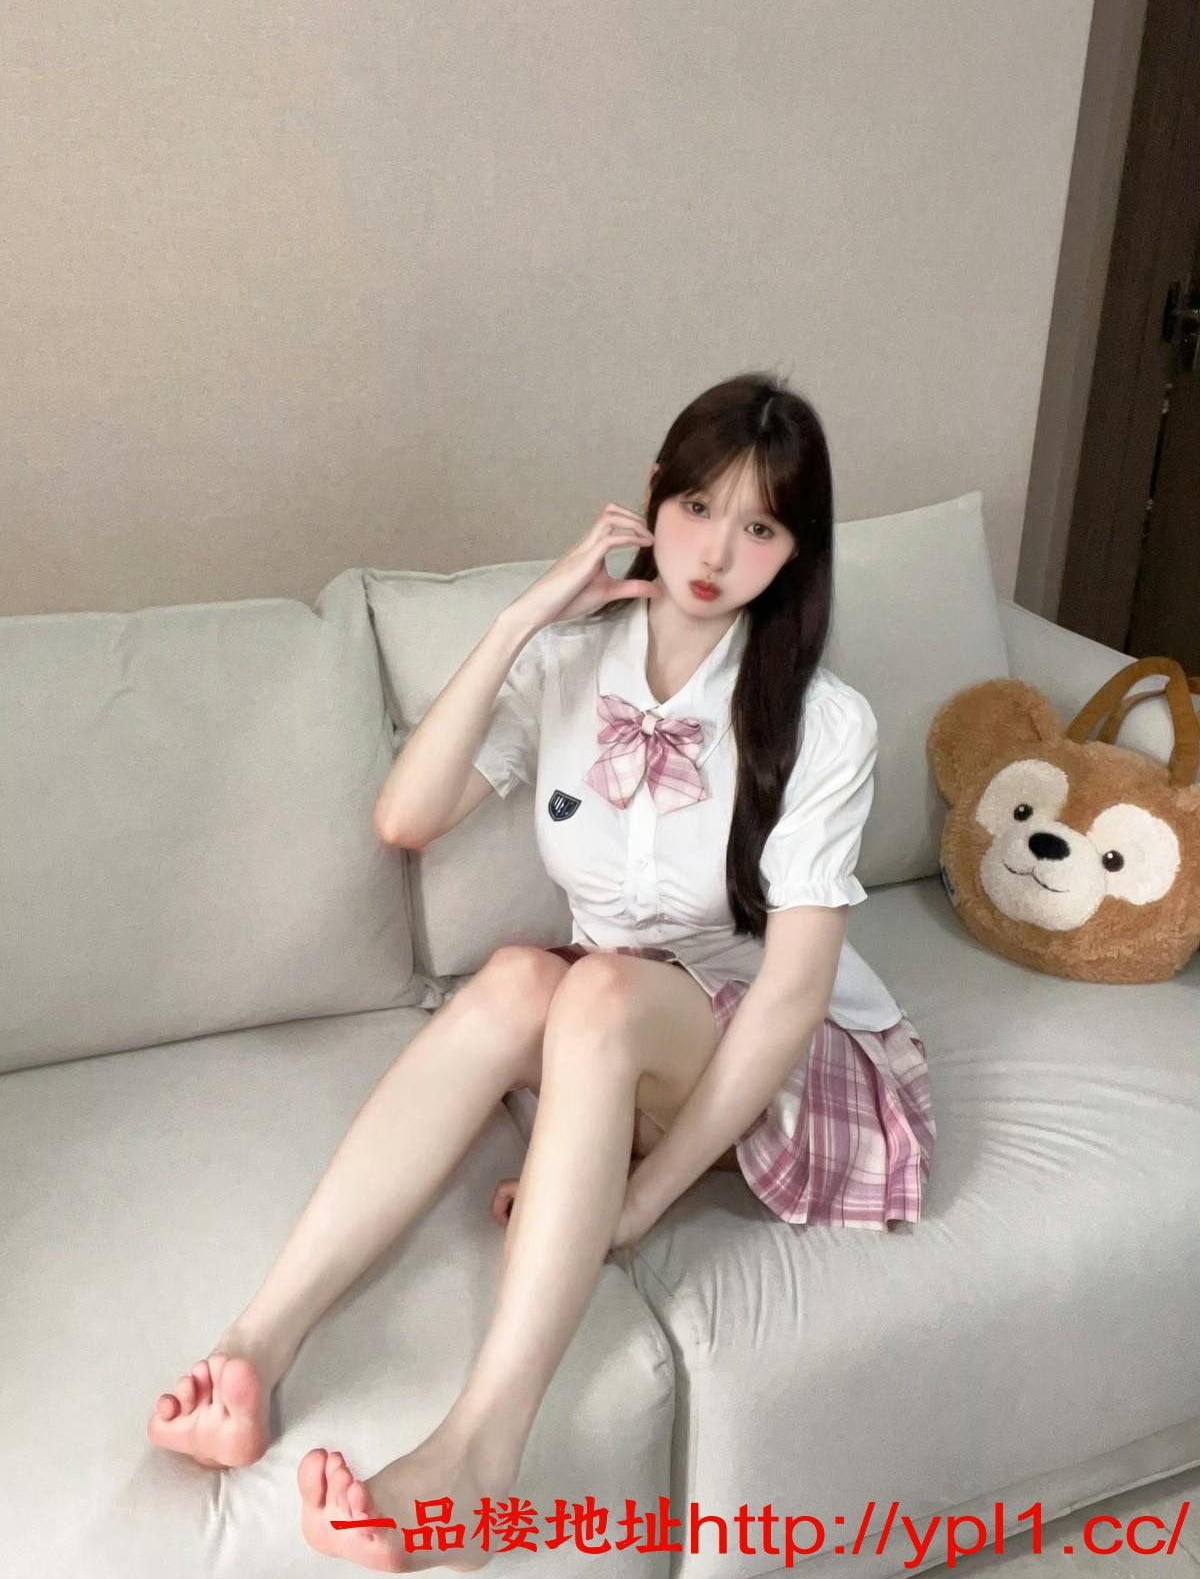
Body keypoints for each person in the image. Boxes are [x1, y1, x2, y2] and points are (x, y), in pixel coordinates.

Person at [145, 370, 935, 1570]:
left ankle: (478, 1452)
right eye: (698, 508)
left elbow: (790, 998)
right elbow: (406, 817)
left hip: (766, 1059)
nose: (717, 552)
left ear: (795, 552)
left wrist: (638, 1200)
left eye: (761, 527)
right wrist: (523, 618)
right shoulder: (573, 661)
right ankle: (257, 1347)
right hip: (612, 1024)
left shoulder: (823, 722)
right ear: (651, 500)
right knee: (519, 977)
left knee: (597, 990)